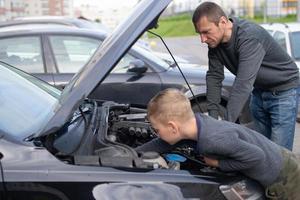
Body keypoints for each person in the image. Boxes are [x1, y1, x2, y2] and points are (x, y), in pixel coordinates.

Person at [136, 88, 300, 199]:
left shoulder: (212, 140)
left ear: (172, 127)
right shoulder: (197, 125)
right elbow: (163, 143)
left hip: (284, 177)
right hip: (280, 159)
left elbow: (257, 157)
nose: (157, 133)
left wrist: (218, 163)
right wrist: (133, 152)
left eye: (157, 129)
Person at [191, 2, 299, 150]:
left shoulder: (248, 37)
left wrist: (224, 127)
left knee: (279, 155)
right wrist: (212, 120)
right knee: (259, 149)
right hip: (259, 91)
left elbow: (243, 84)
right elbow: (214, 79)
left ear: (223, 22)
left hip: (283, 92)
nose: (202, 39)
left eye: (206, 32)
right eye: (199, 34)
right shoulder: (214, 45)